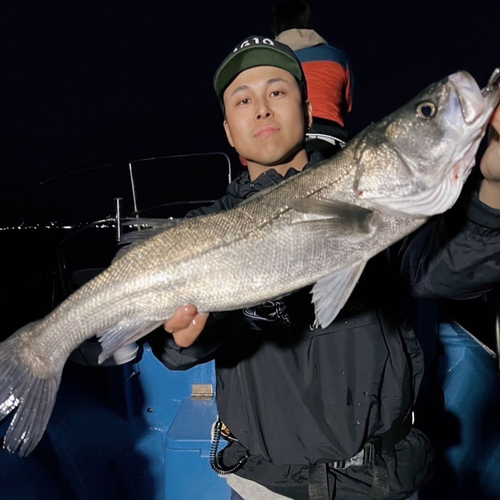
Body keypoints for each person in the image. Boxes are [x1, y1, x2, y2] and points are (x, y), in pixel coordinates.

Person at [148, 36, 500, 500]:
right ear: (229, 132)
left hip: (382, 482)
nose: (262, 109)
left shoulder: (376, 195)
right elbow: (176, 348)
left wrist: (493, 186)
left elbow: (450, 271)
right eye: (243, 98)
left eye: (277, 92)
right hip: (266, 489)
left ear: (309, 111)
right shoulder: (204, 229)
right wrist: (183, 337)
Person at [270, 0, 353, 158]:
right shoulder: (337, 57)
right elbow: (347, 106)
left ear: (276, 28)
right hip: (334, 137)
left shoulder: (270, 62)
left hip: (291, 141)